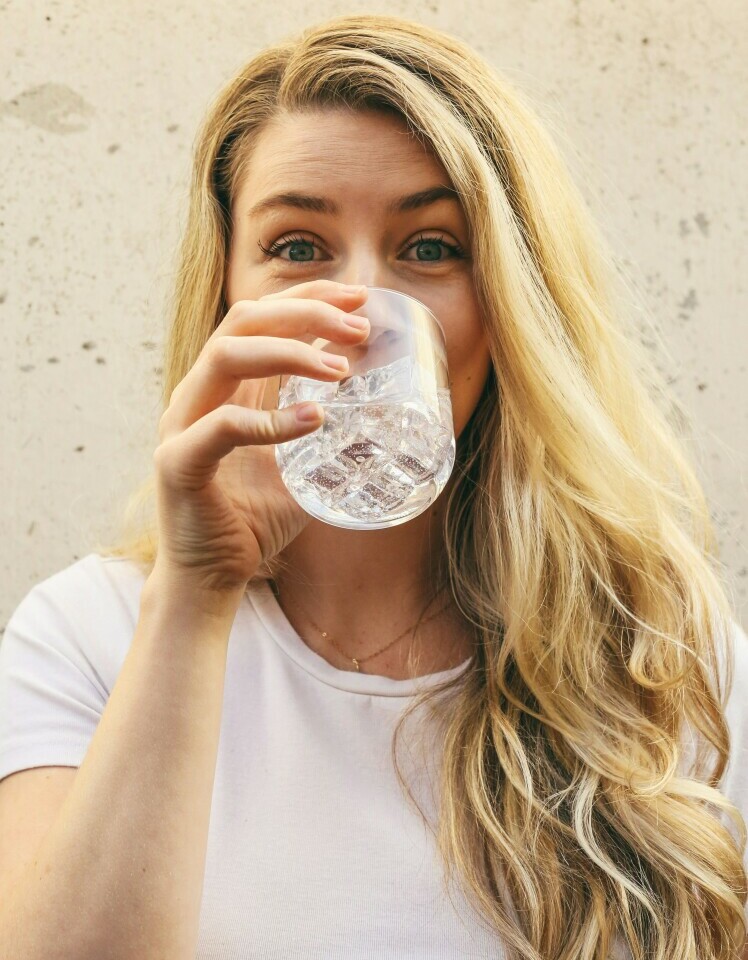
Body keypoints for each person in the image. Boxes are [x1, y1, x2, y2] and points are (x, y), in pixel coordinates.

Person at [0, 13, 746, 960]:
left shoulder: (664, 667)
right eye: (299, 247)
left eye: (430, 248)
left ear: (510, 304)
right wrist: (196, 595)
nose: (355, 315)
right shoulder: (87, 640)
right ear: (227, 291)